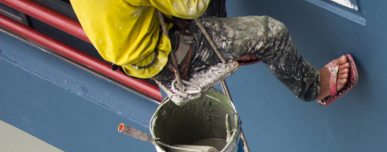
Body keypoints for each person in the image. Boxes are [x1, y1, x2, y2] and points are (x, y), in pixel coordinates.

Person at [69, 0, 356, 106]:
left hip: (137, 41)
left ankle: (228, 44)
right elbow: (191, 6)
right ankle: (314, 87)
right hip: (168, 55)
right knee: (271, 34)